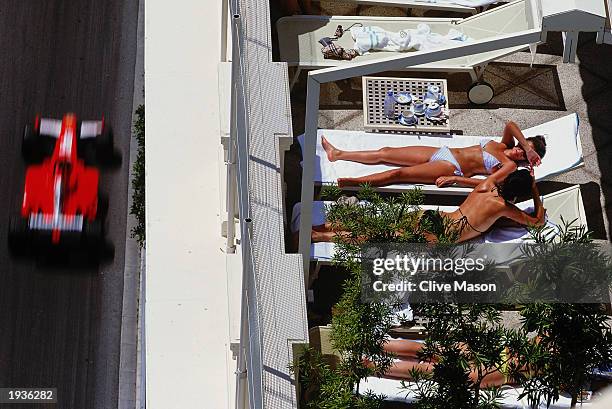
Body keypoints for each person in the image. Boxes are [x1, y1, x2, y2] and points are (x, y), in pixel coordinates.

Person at [304, 169, 546, 244]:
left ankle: (320, 225)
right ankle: (321, 236)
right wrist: (535, 190)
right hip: (442, 233)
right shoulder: (503, 207)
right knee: (376, 236)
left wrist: (527, 178)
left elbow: (503, 171)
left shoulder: (487, 185)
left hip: (435, 216)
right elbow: (537, 222)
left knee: (380, 224)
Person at [320, 121, 547, 188]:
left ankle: (354, 182)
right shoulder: (504, 143)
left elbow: (487, 184)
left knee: (397, 174)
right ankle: (338, 154)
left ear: (527, 162)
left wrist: (456, 179)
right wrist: (527, 147)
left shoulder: (508, 166)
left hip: (450, 168)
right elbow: (509, 123)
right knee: (385, 152)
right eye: (522, 147)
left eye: (524, 155)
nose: (518, 152)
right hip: (443, 152)